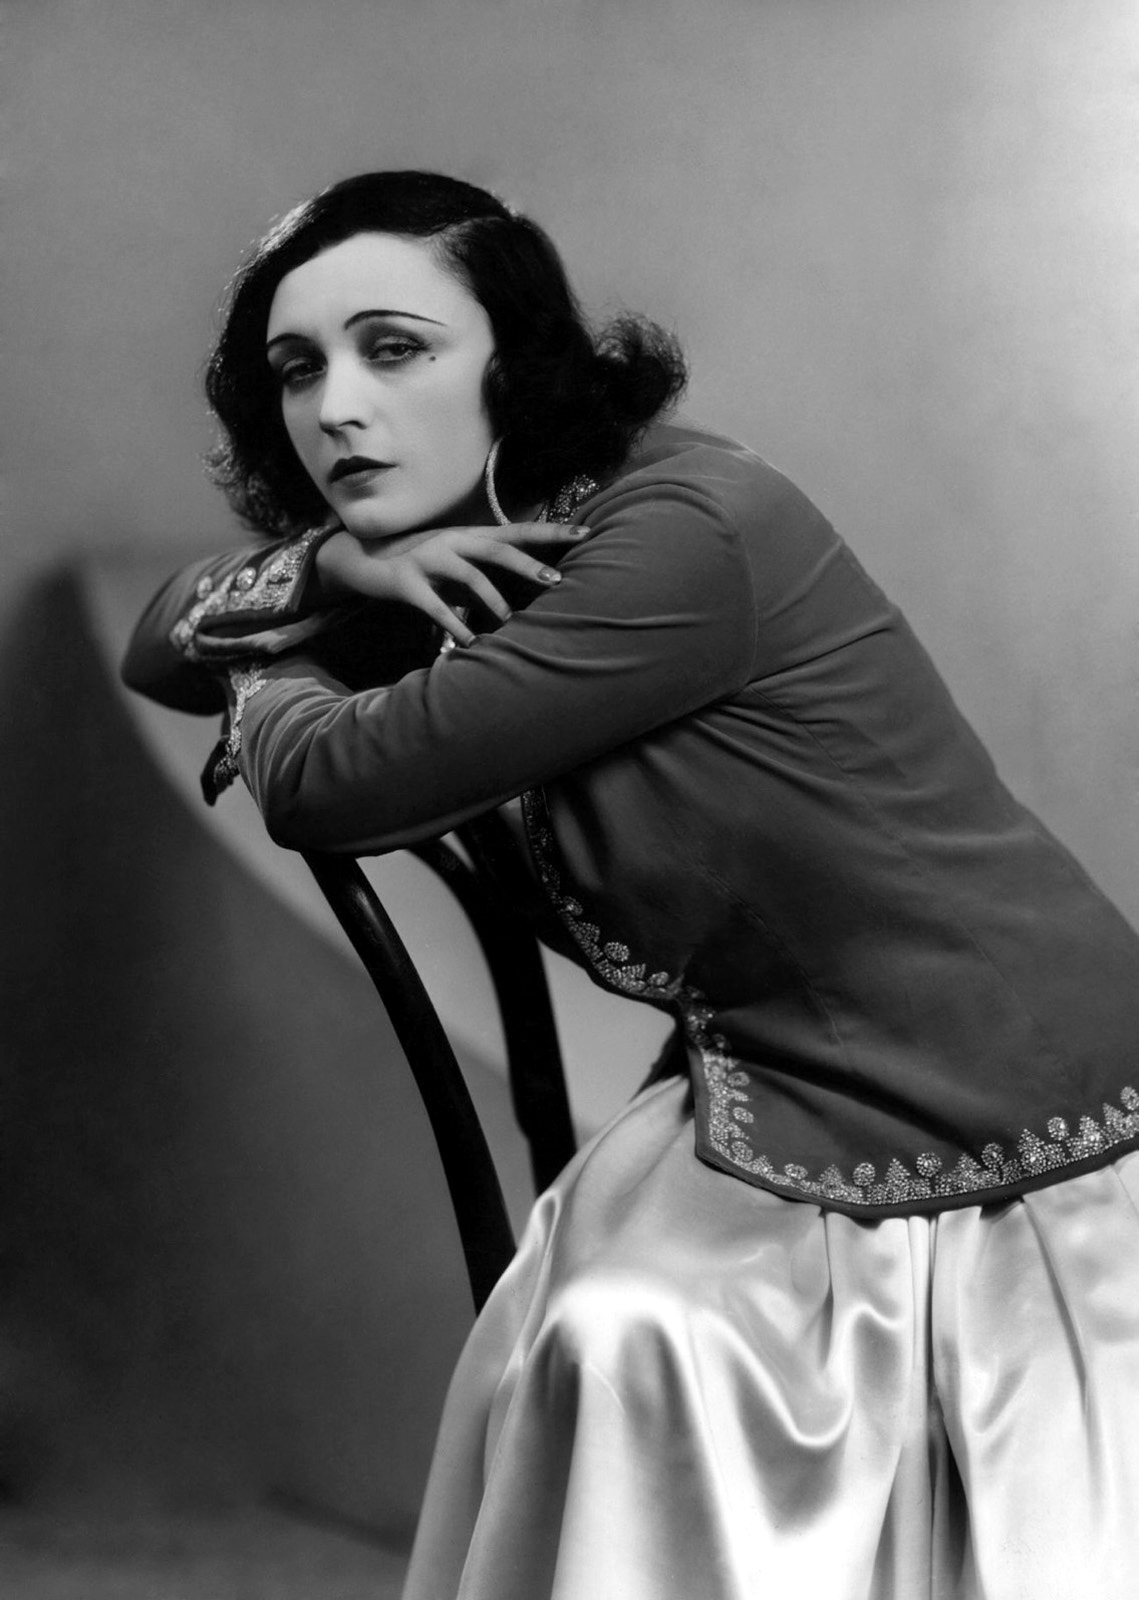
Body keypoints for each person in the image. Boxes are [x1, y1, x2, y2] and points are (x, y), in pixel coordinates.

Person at [122, 169, 1139, 1600]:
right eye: (299, 370)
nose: (337, 406)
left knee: (630, 1342)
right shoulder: (458, 545)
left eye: (395, 349)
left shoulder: (685, 530)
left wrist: (273, 670)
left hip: (1003, 1099)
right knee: (604, 1335)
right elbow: (155, 645)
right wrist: (337, 568)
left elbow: (325, 783)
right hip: (782, 1078)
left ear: (518, 356)